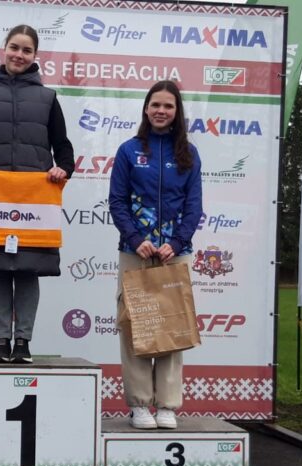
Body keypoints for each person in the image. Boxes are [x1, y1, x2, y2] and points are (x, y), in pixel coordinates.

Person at [0, 25, 75, 364]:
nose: (19, 55)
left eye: (26, 50)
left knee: (26, 269)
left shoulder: (48, 98)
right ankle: (1, 342)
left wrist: (63, 169)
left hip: (33, 200)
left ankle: (22, 342)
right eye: (14, 47)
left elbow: (63, 147)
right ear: (4, 49)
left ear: (35, 55)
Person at [108, 80, 202, 429]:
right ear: (146, 109)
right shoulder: (129, 151)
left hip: (174, 253)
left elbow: (194, 206)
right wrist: (135, 239)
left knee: (172, 324)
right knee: (135, 325)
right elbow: (117, 201)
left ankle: (167, 405)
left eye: (168, 106)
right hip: (136, 251)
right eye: (155, 105)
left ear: (177, 112)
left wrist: (176, 243)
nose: (161, 111)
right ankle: (139, 405)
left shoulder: (189, 153)